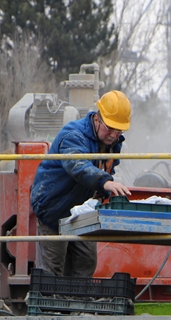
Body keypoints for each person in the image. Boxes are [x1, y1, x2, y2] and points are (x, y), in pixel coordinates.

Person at [30, 90, 133, 277]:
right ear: (97, 119)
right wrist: (105, 182)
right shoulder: (73, 135)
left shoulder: (113, 144)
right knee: (53, 270)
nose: (113, 134)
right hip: (54, 209)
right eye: (110, 128)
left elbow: (107, 167)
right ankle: (50, 304)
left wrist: (106, 194)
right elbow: (77, 165)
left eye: (119, 130)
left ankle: (76, 304)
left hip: (81, 212)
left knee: (86, 263)